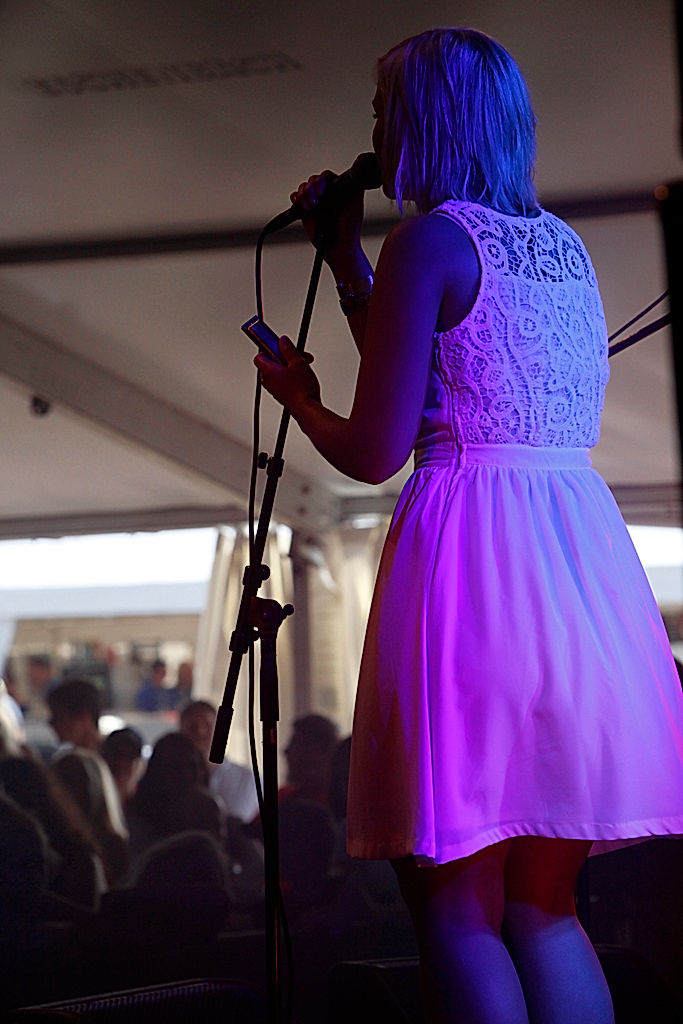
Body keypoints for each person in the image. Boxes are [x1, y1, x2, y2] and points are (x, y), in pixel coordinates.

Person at [254, 27, 683, 1024]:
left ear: (420, 118)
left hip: (470, 573)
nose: (370, 125)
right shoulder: (563, 250)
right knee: (546, 909)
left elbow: (375, 446)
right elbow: (440, 371)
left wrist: (297, 398)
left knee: (454, 908)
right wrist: (345, 261)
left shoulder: (430, 240)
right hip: (574, 577)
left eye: (379, 107)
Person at [179, 699, 259, 822]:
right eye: (192, 727)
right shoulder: (172, 778)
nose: (200, 732)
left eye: (207, 725)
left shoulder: (248, 780)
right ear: (180, 731)